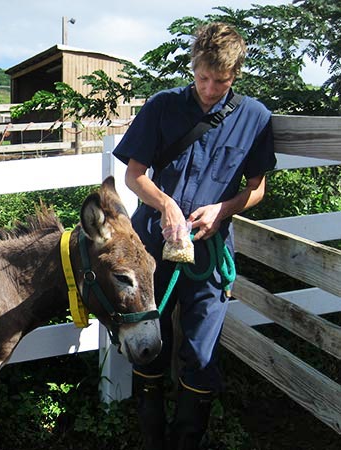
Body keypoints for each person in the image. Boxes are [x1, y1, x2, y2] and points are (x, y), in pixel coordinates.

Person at [112, 22, 276, 450]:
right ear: (194, 68)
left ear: (235, 74)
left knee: (201, 354)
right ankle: (152, 439)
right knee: (150, 343)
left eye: (220, 81)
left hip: (209, 252)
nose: (209, 89)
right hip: (153, 247)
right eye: (203, 78)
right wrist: (165, 204)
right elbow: (134, 176)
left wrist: (224, 210)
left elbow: (257, 187)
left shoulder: (255, 118)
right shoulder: (164, 106)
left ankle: (187, 441)